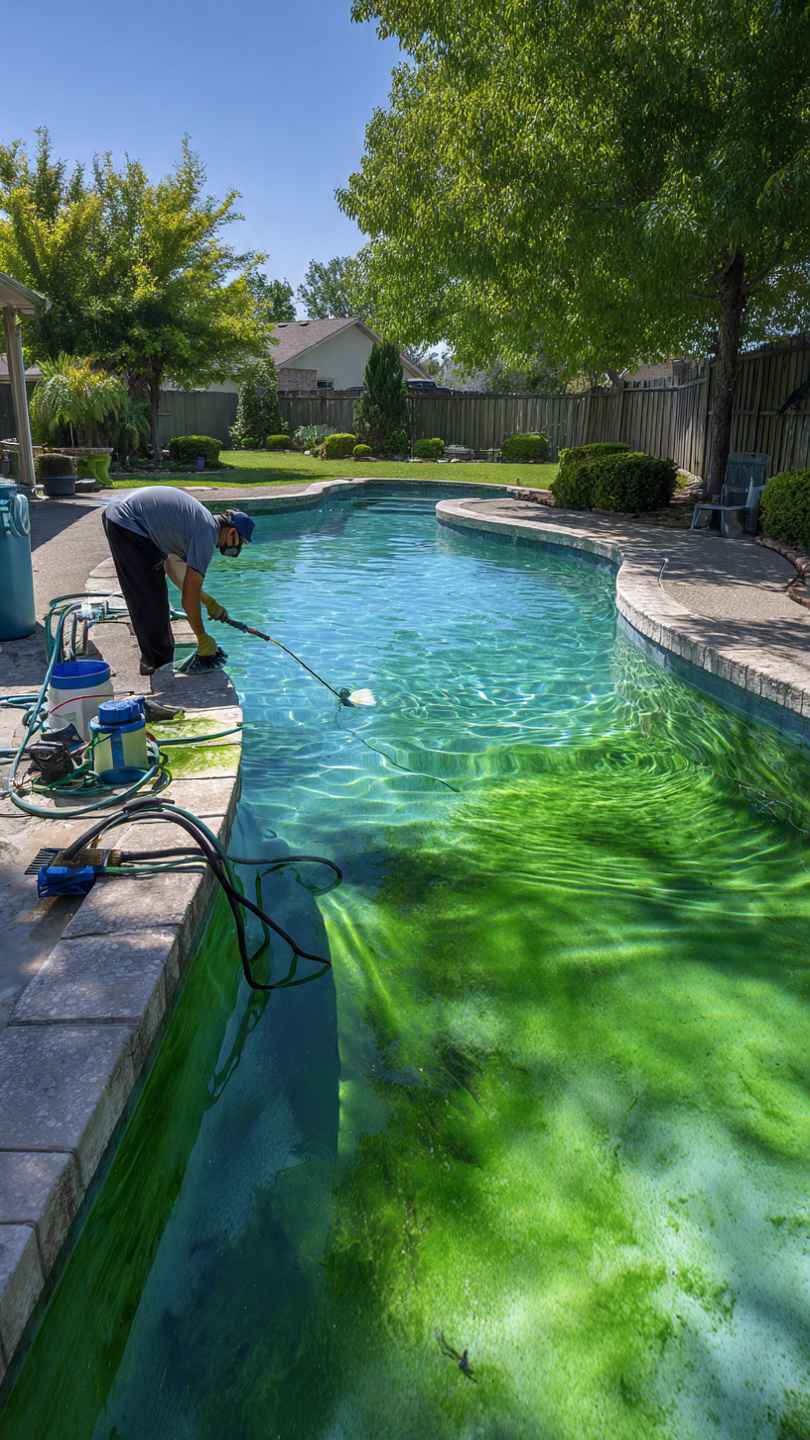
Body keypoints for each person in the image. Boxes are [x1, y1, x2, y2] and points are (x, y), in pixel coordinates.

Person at [102, 486, 255, 674]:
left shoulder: (201, 524)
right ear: (232, 533)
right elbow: (188, 596)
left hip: (120, 516)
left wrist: (208, 601)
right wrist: (202, 637)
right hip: (128, 524)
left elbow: (173, 567)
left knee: (153, 598)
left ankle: (155, 662)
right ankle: (158, 668)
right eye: (242, 542)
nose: (239, 548)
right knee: (150, 601)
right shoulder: (206, 534)